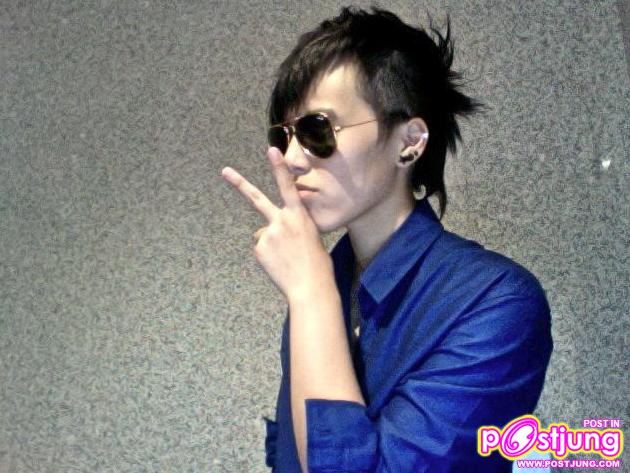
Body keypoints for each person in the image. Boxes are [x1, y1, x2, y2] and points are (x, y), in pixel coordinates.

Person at [221, 6, 553, 472]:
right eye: (286, 135)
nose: (293, 158)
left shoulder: (496, 300)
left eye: (317, 129)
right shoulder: (326, 282)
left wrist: (312, 294)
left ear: (409, 141)